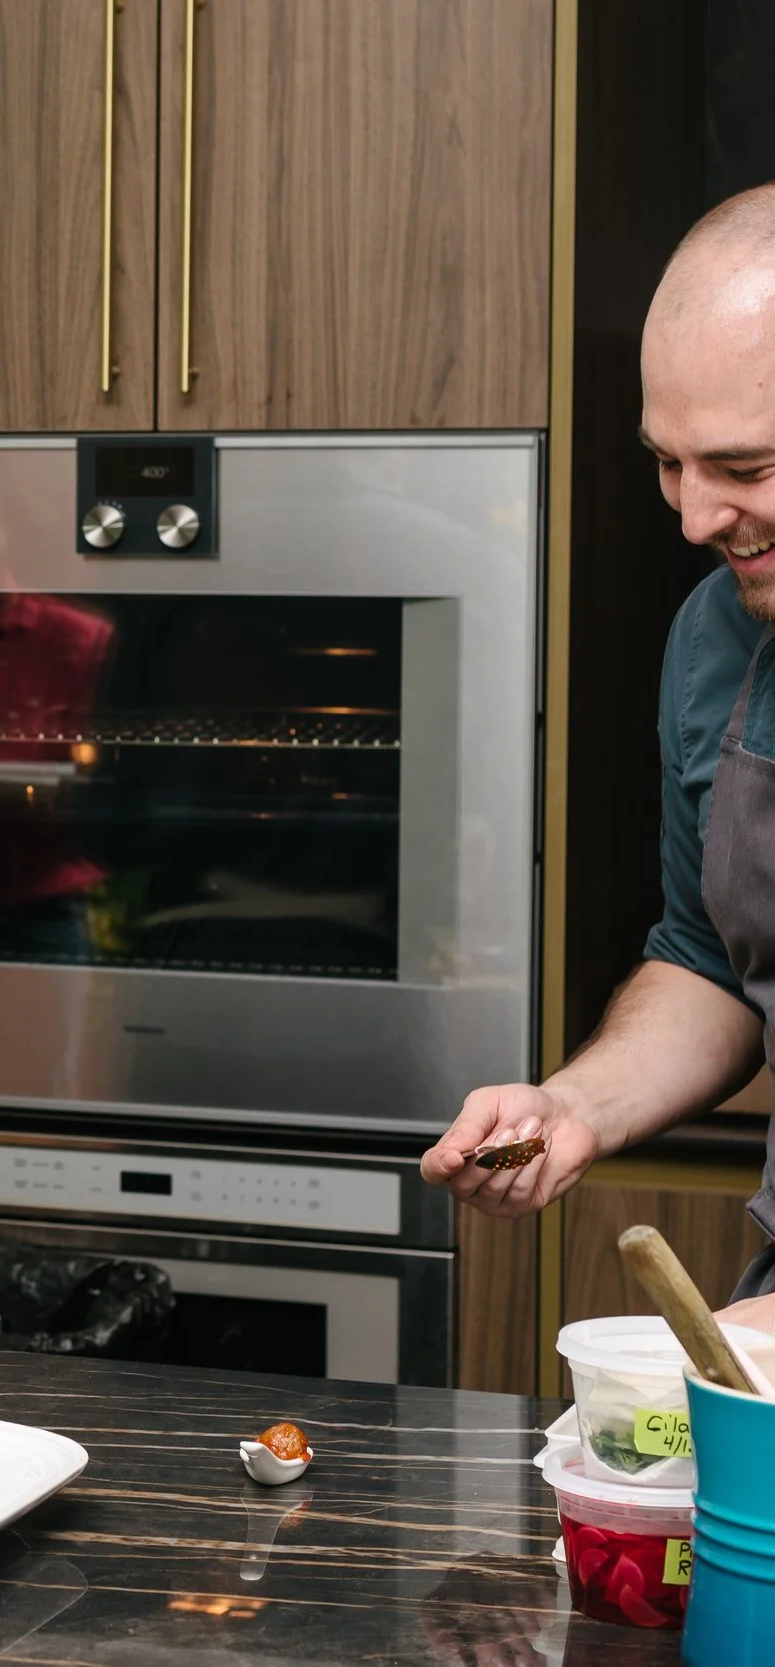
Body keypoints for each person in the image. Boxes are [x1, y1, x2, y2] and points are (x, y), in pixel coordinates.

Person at [422, 185, 775, 1331]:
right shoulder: (716, 635)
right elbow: (714, 961)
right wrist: (573, 1103)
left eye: (745, 468)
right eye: (667, 462)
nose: (692, 516)